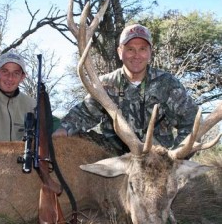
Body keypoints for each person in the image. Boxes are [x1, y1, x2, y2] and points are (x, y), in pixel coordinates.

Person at [53, 23, 198, 154]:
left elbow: (192, 120)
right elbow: (84, 114)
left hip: (156, 159)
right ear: (119, 52)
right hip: (114, 156)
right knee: (76, 139)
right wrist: (64, 129)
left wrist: (176, 155)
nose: (136, 55)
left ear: (150, 52)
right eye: (130, 49)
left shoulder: (167, 83)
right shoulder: (105, 84)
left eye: (142, 49)